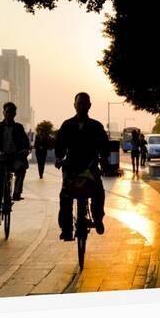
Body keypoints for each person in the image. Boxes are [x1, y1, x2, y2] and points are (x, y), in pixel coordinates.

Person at [55, 92, 109, 240]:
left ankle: (97, 219)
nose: (82, 106)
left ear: (89, 106)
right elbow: (59, 145)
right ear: (74, 105)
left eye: (84, 104)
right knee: (65, 195)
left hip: (90, 167)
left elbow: (104, 146)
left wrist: (104, 158)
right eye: (79, 104)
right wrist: (59, 158)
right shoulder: (67, 125)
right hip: (71, 167)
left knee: (98, 192)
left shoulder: (96, 126)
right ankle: (66, 228)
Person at [0, 102, 30, 226]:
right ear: (3, 112)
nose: (9, 114)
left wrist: (26, 150)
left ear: (15, 114)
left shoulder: (19, 128)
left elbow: (26, 143)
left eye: (12, 112)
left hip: (14, 157)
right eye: (7, 111)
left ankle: (16, 193)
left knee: (21, 168)